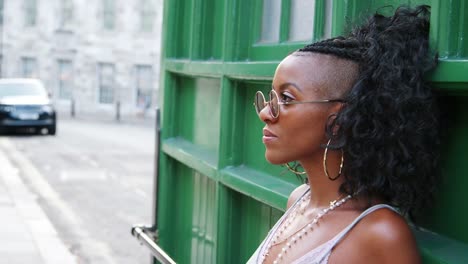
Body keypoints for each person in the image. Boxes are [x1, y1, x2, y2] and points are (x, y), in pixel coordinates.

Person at [248, 5, 439, 264]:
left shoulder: (381, 233)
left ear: (339, 119)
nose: (266, 114)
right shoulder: (298, 200)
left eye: (286, 98)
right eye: (271, 97)